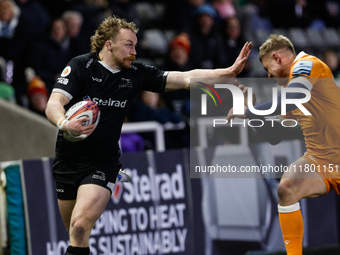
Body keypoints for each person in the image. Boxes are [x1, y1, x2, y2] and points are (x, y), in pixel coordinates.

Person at [45, 15, 251, 255]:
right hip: (67, 160)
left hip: (102, 162)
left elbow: (184, 78)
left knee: (80, 226)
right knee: (74, 233)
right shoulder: (81, 66)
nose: (134, 50)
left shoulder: (136, 74)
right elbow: (53, 103)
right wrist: (64, 124)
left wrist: (227, 72)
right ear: (109, 44)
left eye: (136, 44)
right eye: (128, 44)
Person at [227, 34, 340, 255]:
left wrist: (250, 110)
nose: (268, 76)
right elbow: (275, 134)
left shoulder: (307, 64)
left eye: (267, 68)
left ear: (277, 58)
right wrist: (253, 113)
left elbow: (293, 97)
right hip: (321, 161)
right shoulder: (292, 87)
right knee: (287, 188)